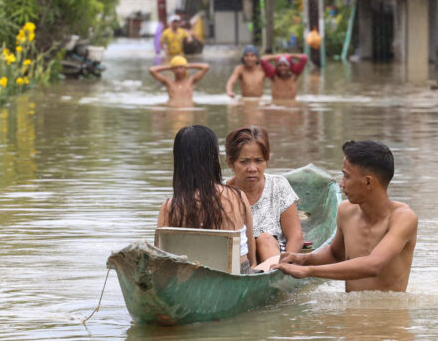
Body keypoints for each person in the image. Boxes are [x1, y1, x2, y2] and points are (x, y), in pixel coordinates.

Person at [273, 140, 418, 292]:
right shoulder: (346, 211)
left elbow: (374, 265)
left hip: (387, 313)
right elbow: (335, 254)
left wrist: (309, 271)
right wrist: (303, 259)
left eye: (346, 176)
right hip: (352, 310)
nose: (342, 184)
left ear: (368, 182)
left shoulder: (403, 218)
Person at [157, 125, 257, 272]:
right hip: (235, 275)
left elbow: (161, 260)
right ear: (215, 158)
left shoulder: (169, 207)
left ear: (178, 161)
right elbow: (251, 258)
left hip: (186, 279)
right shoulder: (238, 197)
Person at [225, 126, 303, 268]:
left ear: (266, 160)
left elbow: (295, 236)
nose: (252, 168)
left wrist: (286, 264)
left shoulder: (278, 185)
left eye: (259, 161)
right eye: (244, 162)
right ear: (230, 163)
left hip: (274, 257)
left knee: (265, 239)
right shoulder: (221, 193)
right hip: (239, 259)